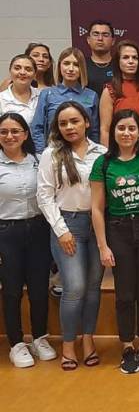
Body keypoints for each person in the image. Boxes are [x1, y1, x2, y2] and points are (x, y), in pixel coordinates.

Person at [90, 109, 139, 374]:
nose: (127, 133)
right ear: (113, 132)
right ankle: (127, 346)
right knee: (124, 294)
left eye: (132, 128)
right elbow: (97, 208)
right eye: (121, 128)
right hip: (118, 230)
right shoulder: (103, 163)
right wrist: (103, 245)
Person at [37, 101, 106, 370]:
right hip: (68, 225)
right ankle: (68, 344)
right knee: (75, 286)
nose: (69, 127)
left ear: (87, 122)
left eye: (74, 121)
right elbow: (44, 196)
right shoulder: (52, 154)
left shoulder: (101, 152)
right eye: (63, 123)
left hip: (97, 225)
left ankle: (88, 340)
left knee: (92, 287)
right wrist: (62, 230)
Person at [0, 112, 56, 368]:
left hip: (37, 230)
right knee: (11, 291)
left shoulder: (37, 161)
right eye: (4, 132)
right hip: (6, 233)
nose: (10, 136)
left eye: (15, 131)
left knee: (38, 288)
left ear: (25, 134)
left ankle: (40, 337)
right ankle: (16, 343)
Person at [31, 47, 100, 153]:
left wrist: (93, 154)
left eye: (76, 65)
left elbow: (94, 131)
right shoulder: (47, 94)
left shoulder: (91, 96)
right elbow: (37, 128)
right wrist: (41, 154)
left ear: (82, 68)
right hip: (54, 152)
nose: (71, 69)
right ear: (59, 66)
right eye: (66, 63)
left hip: (84, 154)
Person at [99, 39, 139, 149]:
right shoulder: (110, 91)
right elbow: (105, 130)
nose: (131, 61)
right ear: (118, 61)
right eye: (125, 57)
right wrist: (107, 159)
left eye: (135, 58)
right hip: (123, 155)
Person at [0, 55, 40, 125]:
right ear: (10, 71)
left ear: (35, 74)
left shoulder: (42, 96)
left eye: (28, 69)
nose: (22, 72)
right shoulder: (1, 99)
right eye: (17, 68)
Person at [84, 20, 115, 95]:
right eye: (96, 34)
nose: (100, 38)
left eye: (105, 35)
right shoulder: (81, 65)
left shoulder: (120, 65)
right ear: (88, 40)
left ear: (113, 41)